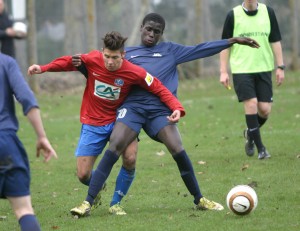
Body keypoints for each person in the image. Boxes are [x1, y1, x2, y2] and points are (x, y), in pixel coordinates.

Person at [70, 13, 260, 217]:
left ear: (162, 34)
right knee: (116, 146)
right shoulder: (127, 53)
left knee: (177, 148)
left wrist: (232, 41)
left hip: (160, 112)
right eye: (148, 29)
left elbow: (201, 49)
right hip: (132, 109)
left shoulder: (171, 51)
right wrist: (81, 68)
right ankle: (88, 203)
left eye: (156, 31)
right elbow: (101, 70)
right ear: (141, 27)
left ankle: (199, 199)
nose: (151, 34)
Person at [27, 31, 185, 212]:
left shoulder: (134, 72)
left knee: (130, 158)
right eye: (107, 56)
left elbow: (157, 87)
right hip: (93, 122)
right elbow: (69, 61)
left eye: (115, 58)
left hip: (121, 120)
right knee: (83, 174)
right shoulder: (92, 59)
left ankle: (116, 203)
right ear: (102, 51)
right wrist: (43, 68)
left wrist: (177, 107)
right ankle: (98, 185)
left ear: (123, 55)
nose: (110, 62)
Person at [219, 0, 285, 159]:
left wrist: (281, 66)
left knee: (264, 110)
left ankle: (250, 133)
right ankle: (261, 149)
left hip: (263, 68)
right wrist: (223, 71)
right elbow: (224, 45)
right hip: (242, 69)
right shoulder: (233, 15)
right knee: (251, 104)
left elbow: (275, 40)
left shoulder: (268, 12)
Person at [0, 52, 57, 231]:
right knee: (23, 209)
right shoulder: (6, 62)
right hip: (4, 143)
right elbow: (26, 98)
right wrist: (41, 136)